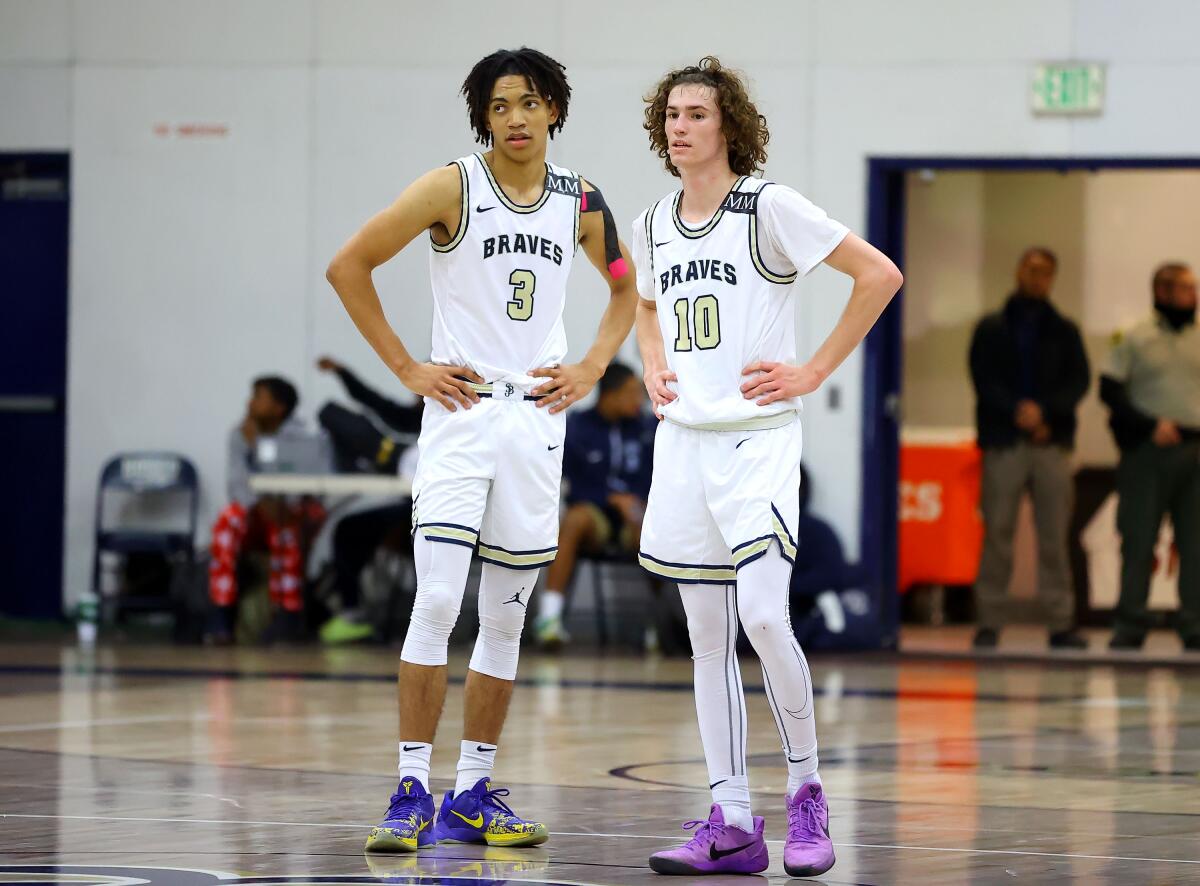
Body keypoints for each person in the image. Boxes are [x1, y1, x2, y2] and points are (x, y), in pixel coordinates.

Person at [325, 47, 637, 853]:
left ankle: (472, 793)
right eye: (500, 106)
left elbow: (627, 286)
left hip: (536, 420)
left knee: (506, 619)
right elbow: (348, 265)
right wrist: (407, 368)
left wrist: (595, 366)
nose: (516, 118)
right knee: (436, 603)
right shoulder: (451, 188)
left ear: (555, 111)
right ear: (483, 119)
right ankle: (408, 790)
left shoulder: (582, 200)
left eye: (530, 103)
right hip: (463, 417)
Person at [632, 57, 902, 878]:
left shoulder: (769, 206)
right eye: (671, 115)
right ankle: (733, 821)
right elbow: (643, 302)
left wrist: (813, 370)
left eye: (696, 114)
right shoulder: (652, 223)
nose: (680, 127)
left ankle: (808, 795)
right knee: (703, 637)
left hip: (757, 440)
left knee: (763, 616)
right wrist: (651, 361)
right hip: (684, 442)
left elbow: (878, 274)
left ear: (729, 126)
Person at [968, 247, 1090, 651]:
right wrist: (1017, 411)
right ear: (1019, 270)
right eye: (1032, 269)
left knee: (1054, 536)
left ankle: (1060, 622)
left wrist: (1045, 414)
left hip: (1050, 443)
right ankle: (989, 621)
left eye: (1046, 273)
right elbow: (983, 378)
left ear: (1052, 278)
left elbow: (1078, 382)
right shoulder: (992, 327)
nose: (1038, 278)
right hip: (1004, 442)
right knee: (997, 534)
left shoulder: (1065, 330)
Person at [1100, 262, 1200, 651]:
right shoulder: (1134, 335)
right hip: (1149, 451)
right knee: (1139, 537)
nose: (1193, 296)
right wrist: (1147, 426)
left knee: (1195, 542)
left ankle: (1193, 623)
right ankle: (1131, 622)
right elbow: (1110, 391)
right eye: (1185, 289)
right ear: (1162, 292)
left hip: (1195, 451)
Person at [534, 361, 656, 648]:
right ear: (610, 394)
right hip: (596, 515)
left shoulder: (647, 428)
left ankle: (661, 624)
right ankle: (549, 619)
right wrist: (612, 498)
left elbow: (658, 477)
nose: (638, 399)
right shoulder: (578, 426)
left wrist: (637, 503)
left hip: (636, 518)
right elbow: (571, 482)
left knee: (655, 531)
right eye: (631, 392)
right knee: (574, 520)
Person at [207, 376, 329, 644]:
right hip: (257, 509)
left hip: (292, 508)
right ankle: (221, 613)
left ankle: (287, 612)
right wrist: (261, 503)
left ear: (279, 407)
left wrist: (282, 501)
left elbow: (313, 481)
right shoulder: (241, 435)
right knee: (226, 523)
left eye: (259, 396)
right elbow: (236, 483)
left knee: (286, 529)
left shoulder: (304, 436)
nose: (250, 402)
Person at [315, 356, 424, 644]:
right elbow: (371, 399)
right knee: (347, 529)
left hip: (443, 515)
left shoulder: (463, 426)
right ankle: (352, 611)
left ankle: (427, 622)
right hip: (405, 508)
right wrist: (343, 372)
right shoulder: (408, 419)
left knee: (423, 537)